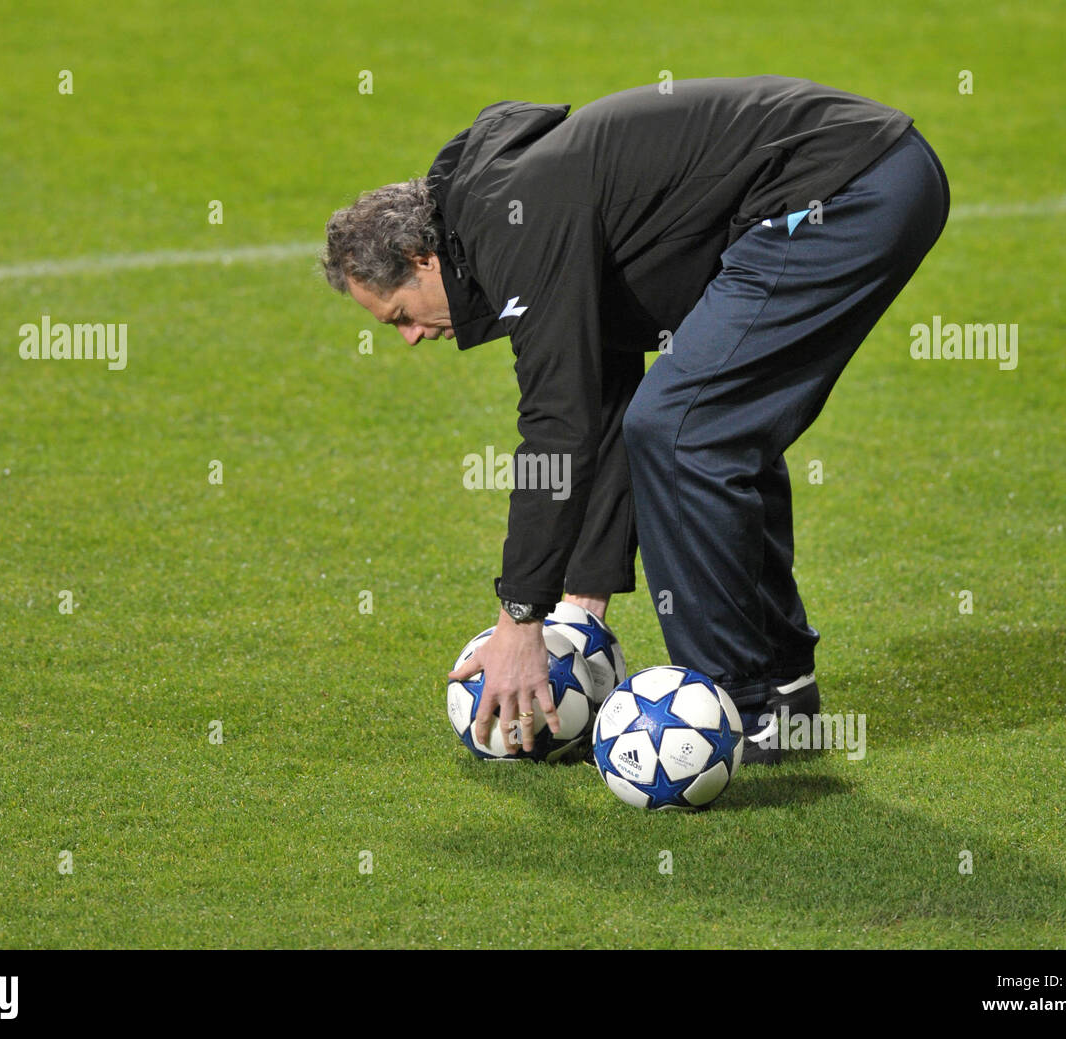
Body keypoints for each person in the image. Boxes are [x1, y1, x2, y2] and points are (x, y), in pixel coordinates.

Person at [321, 76, 949, 763]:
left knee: (683, 428)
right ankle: (781, 688)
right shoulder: (495, 212)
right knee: (702, 425)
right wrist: (582, 605)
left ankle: (733, 706)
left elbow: (555, 429)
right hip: (862, 176)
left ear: (422, 258)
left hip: (847, 191)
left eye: (402, 316)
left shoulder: (511, 225)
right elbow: (601, 403)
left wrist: (521, 618)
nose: (412, 336)